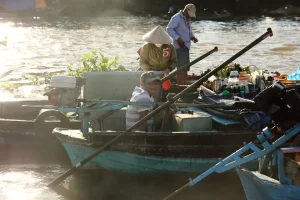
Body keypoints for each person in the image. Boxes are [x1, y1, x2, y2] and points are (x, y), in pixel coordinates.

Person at [166, 3, 198, 85]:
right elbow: (169, 29)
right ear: (186, 10)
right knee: (181, 68)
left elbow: (188, 31)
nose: (190, 16)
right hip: (179, 46)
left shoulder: (188, 19)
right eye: (189, 14)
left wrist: (192, 37)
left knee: (185, 68)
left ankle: (183, 83)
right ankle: (181, 84)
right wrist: (178, 38)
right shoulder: (177, 18)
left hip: (186, 46)